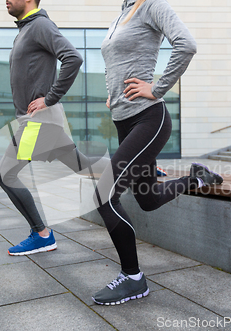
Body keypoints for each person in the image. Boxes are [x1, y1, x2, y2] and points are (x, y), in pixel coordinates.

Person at [92, 0, 223, 305]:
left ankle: (134, 278)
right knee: (148, 200)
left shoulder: (152, 6)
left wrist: (158, 87)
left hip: (150, 118)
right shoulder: (123, 14)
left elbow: (186, 45)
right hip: (124, 121)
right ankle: (196, 179)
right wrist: (111, 93)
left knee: (103, 195)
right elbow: (115, 61)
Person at [0, 0, 101, 256]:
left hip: (39, 121)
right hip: (40, 120)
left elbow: (73, 58)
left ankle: (42, 234)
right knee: (84, 166)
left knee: (6, 175)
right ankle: (141, 168)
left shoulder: (40, 24)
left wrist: (50, 98)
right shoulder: (26, 29)